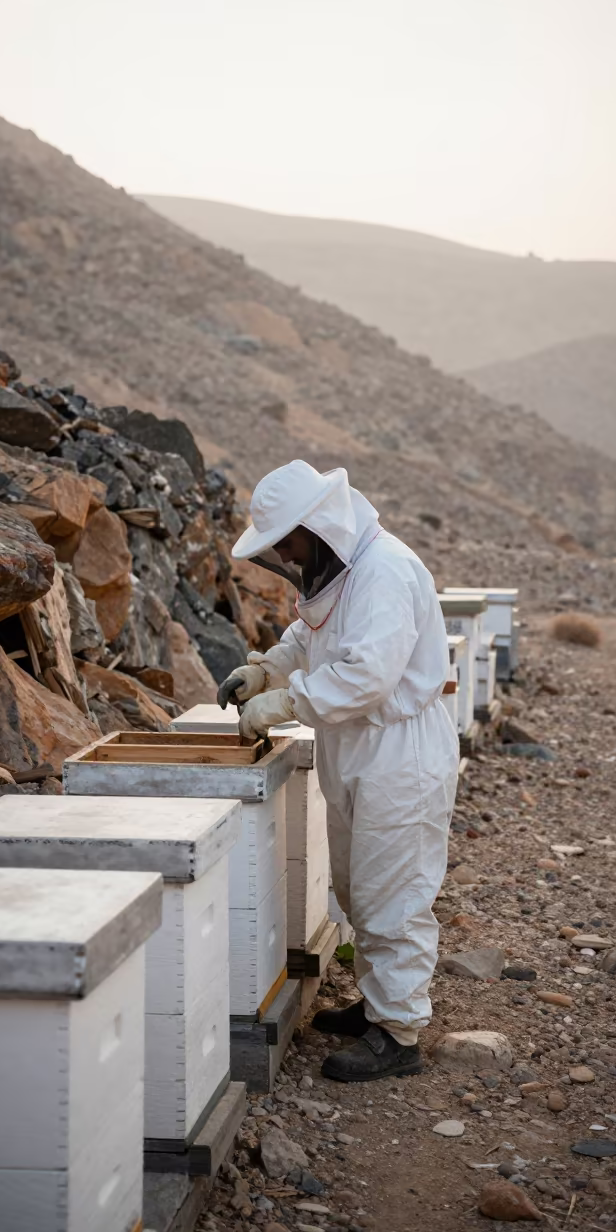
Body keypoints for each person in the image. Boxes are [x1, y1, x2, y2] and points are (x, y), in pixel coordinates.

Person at [218, 460, 459, 1082]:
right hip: (356, 744)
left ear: (319, 527)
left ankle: (399, 1034)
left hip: (397, 749)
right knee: (357, 886)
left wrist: (286, 702)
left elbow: (367, 676)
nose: (289, 556)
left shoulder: (385, 570)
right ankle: (379, 1007)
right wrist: (267, 667)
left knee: (394, 893)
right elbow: (311, 634)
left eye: (291, 542)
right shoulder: (341, 572)